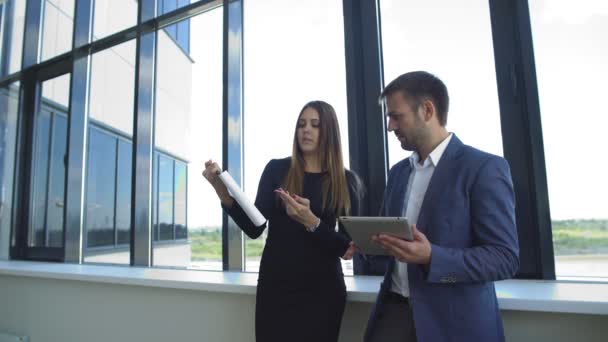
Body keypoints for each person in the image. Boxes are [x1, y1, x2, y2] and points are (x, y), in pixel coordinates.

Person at [364, 71, 520, 342]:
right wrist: (368, 243)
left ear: (427, 110)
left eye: (396, 116)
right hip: (392, 316)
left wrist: (432, 257)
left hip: (455, 322)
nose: (389, 126)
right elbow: (393, 247)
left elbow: (504, 258)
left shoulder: (483, 168)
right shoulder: (398, 173)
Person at [203, 100, 362, 342]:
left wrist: (311, 222)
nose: (305, 130)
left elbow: (347, 248)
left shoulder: (346, 181)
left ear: (329, 131)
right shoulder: (276, 170)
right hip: (275, 287)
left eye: (315, 125)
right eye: (301, 124)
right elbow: (254, 228)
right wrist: (221, 190)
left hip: (323, 292)